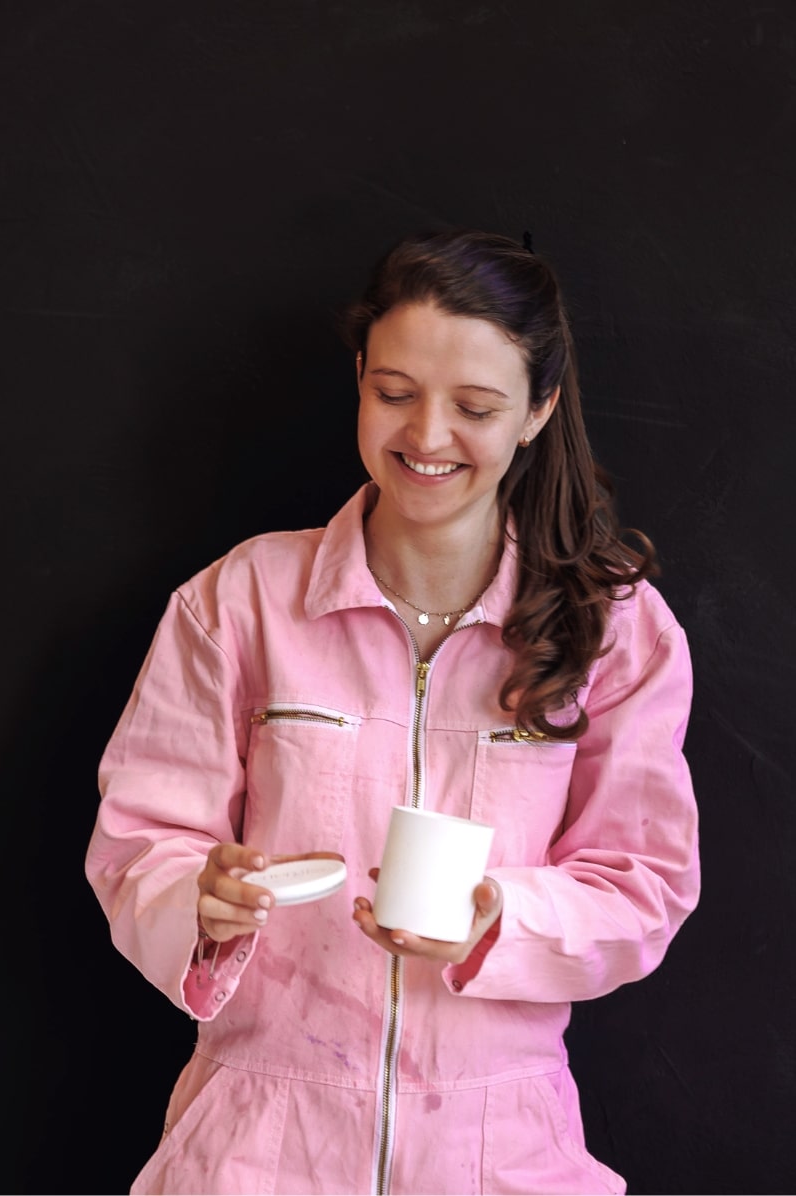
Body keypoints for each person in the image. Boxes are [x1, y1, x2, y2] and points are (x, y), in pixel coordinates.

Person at [85, 226, 700, 1196]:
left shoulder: (612, 627)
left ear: (537, 408)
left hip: (502, 1145)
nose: (425, 436)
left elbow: (643, 881)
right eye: (394, 392)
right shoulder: (238, 600)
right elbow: (139, 839)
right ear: (361, 378)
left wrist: (500, 914)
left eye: (475, 405)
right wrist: (194, 899)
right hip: (254, 1142)